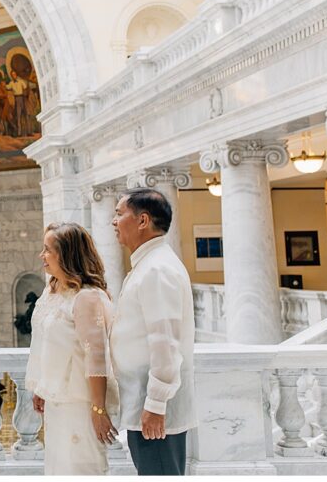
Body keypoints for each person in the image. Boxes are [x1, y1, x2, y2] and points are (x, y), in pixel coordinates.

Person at [110, 188, 196, 475]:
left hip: (155, 408)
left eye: (120, 214)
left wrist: (156, 404)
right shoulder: (148, 264)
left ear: (143, 220)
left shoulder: (157, 269)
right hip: (143, 402)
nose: (114, 221)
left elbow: (165, 343)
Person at [24, 222, 118, 475]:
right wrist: (42, 386)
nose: (41, 256)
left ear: (66, 255)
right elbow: (46, 342)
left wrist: (98, 409)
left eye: (47, 250)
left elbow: (96, 357)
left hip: (80, 405)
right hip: (57, 402)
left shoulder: (87, 298)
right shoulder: (53, 291)